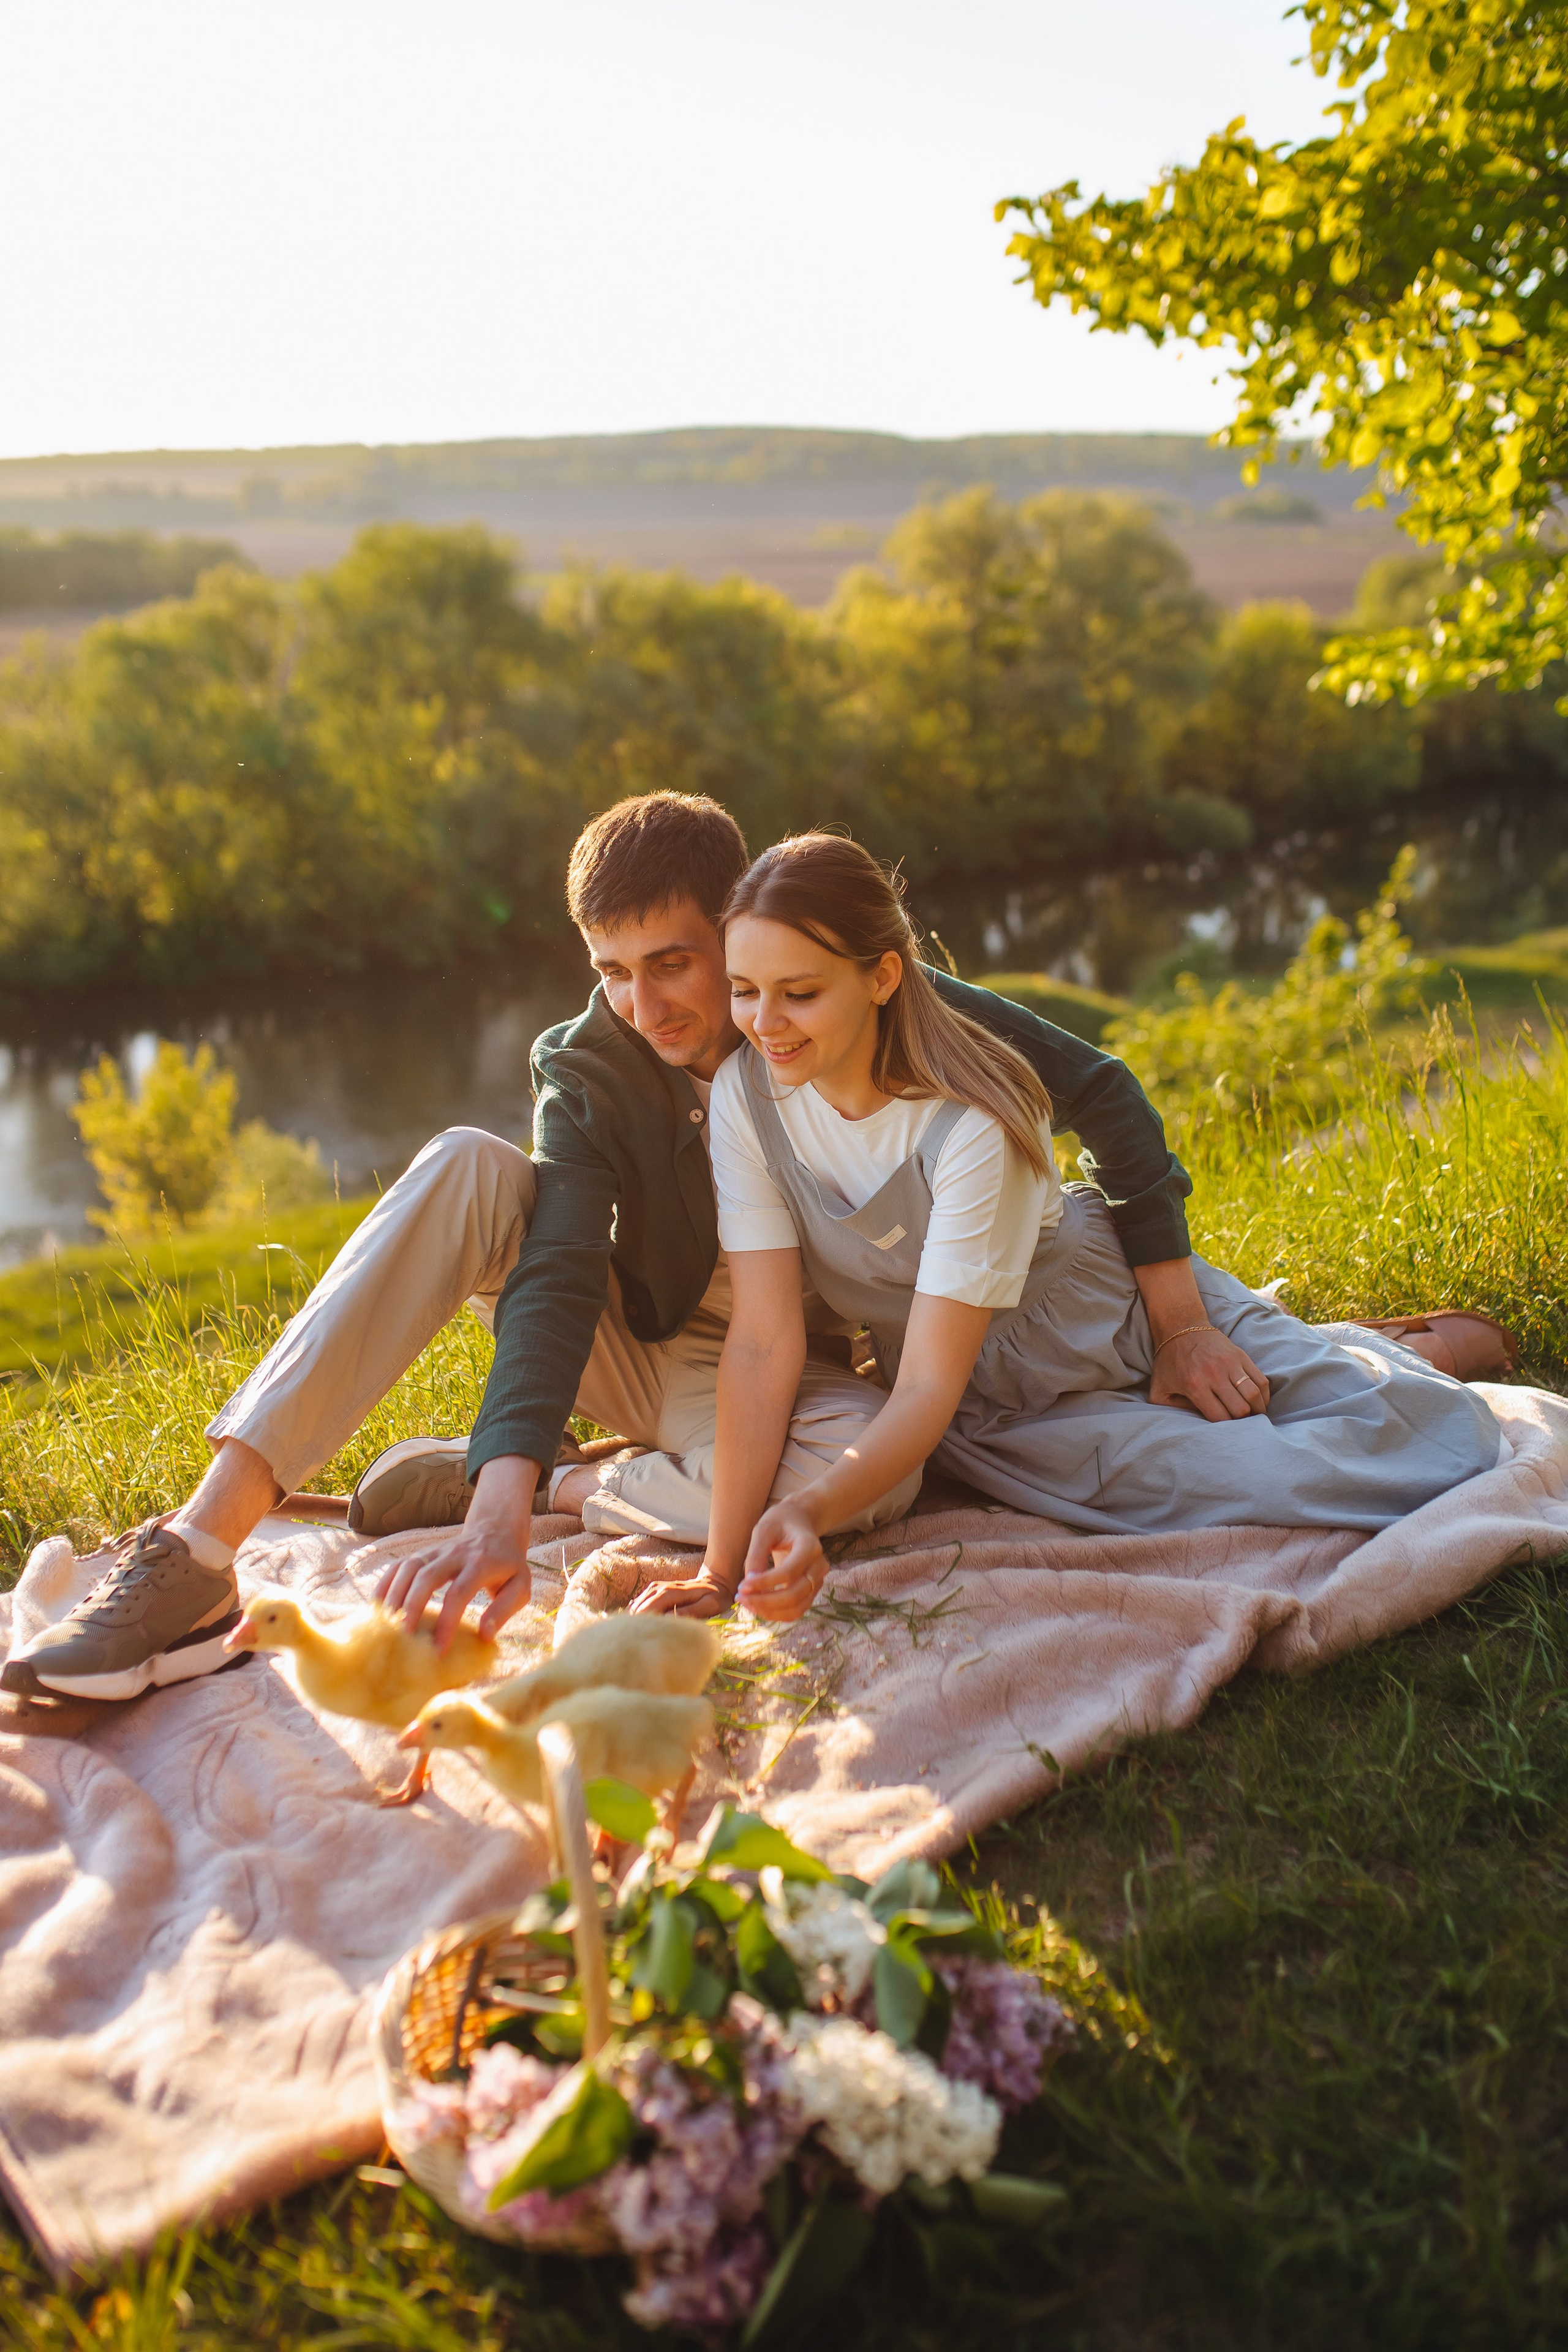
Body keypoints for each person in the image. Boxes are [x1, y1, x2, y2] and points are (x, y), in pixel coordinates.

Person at [4, 793, 1263, 1698]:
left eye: (674, 963)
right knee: (461, 1163)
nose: (644, 1004)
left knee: (874, 1484)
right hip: (648, 1342)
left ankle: (553, 1478)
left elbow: (1102, 1092)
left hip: (791, 1368)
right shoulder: (588, 1063)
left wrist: (1179, 1315)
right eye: (610, 969)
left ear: (742, 928)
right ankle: (199, 1548)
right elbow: (554, 1260)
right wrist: (497, 1526)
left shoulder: (852, 1009)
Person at [635, 831, 1504, 1629]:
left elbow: (924, 1386)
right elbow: (764, 1342)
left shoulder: (974, 1123)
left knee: (1423, 1444)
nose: (763, 1022)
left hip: (1108, 1307)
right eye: (745, 991)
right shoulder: (751, 1098)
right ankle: (1349, 1348)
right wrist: (720, 1568)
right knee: (1237, 1480)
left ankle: (1413, 1354)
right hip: (993, 1396)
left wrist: (814, 1507)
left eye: (800, 993)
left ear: (884, 978)